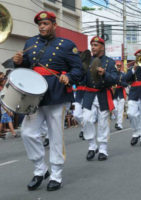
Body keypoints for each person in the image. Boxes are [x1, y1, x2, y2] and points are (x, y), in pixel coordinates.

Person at [12, 11, 83, 191]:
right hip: (34, 95)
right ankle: (40, 169)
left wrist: (68, 76)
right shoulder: (31, 43)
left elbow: (78, 70)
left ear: (54, 25)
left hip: (56, 93)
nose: (42, 27)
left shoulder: (66, 45)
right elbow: (25, 68)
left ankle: (56, 174)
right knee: (28, 133)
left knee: (55, 137)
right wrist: (18, 62)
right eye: (40, 24)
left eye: (45, 24)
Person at [81, 36, 117, 161]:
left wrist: (105, 74)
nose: (93, 48)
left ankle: (103, 149)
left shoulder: (110, 62)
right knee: (86, 119)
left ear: (102, 47)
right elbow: (82, 79)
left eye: (96, 45)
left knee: (103, 123)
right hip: (89, 94)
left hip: (103, 94)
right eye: (92, 45)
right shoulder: (88, 61)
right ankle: (92, 146)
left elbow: (114, 79)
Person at [112, 61, 128, 130]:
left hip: (121, 93)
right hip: (114, 94)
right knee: (114, 108)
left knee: (120, 110)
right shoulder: (112, 74)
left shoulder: (123, 75)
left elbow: (126, 84)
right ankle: (118, 121)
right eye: (117, 66)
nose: (118, 67)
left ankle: (119, 124)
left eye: (119, 66)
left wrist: (119, 82)